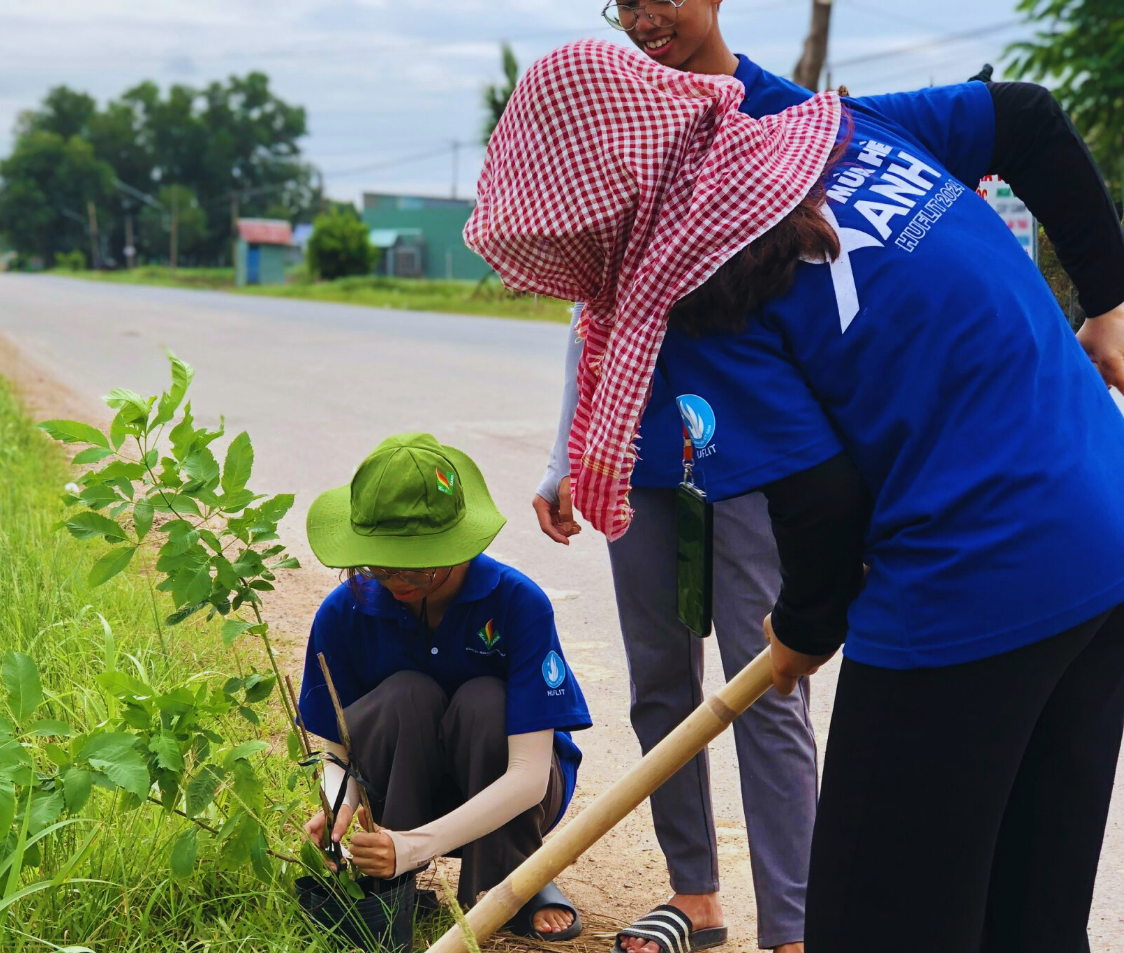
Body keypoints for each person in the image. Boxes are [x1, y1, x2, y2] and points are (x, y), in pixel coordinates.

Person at [467, 39, 1124, 952]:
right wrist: (1110, 300)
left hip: (971, 575)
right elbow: (1027, 117)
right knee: (1030, 913)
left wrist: (802, 630)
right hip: (1105, 530)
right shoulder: (839, 130)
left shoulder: (701, 286)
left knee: (872, 919)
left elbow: (823, 502)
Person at [532, 4, 821, 950]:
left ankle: (794, 923)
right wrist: (565, 452)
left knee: (765, 683)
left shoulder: (785, 115)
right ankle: (694, 894)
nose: (646, 16)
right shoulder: (626, 116)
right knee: (661, 683)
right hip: (639, 453)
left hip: (757, 456)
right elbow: (594, 297)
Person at [297, 433, 594, 941]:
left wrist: (414, 844)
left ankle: (508, 877)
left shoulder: (518, 604)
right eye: (379, 563)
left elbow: (527, 777)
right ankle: (393, 884)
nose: (398, 580)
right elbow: (336, 750)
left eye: (420, 563)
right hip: (396, 792)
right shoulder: (344, 611)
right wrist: (339, 806)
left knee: (485, 702)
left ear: (460, 542)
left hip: (511, 795)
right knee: (405, 695)